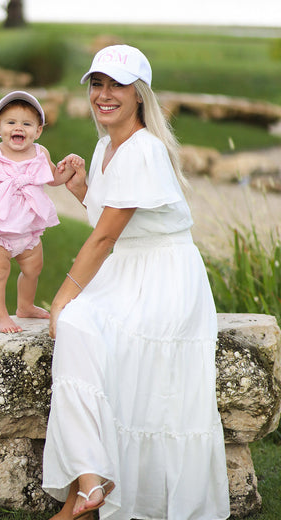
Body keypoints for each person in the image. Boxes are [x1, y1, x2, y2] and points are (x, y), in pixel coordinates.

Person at [42, 45, 230, 520]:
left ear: (139, 94)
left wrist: (63, 297)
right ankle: (91, 479)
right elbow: (111, 221)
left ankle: (91, 485)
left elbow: (106, 236)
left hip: (164, 277)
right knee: (82, 334)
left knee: (78, 324)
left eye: (117, 85)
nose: (104, 95)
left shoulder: (144, 148)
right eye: (97, 85)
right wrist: (82, 187)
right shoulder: (106, 145)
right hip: (127, 270)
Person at [0, 91, 74, 333]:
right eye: (11, 122)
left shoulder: (40, 153)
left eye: (26, 123)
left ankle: (25, 306)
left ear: (38, 130)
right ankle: (1, 317)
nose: (18, 128)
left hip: (28, 228)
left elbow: (53, 178)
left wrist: (68, 170)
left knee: (33, 268)